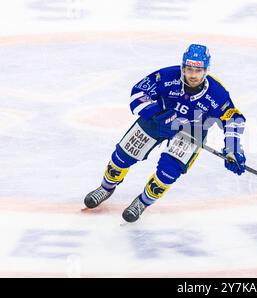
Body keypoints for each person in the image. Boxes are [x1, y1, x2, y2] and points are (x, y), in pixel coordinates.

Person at [84, 44, 247, 223]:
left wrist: (232, 149)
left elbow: (232, 118)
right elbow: (139, 91)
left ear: (206, 70)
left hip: (192, 131)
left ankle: (142, 202)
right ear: (182, 67)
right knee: (122, 156)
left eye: (198, 70)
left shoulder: (217, 92)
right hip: (156, 121)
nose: (193, 75)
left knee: (168, 172)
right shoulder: (167, 76)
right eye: (189, 69)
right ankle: (106, 188)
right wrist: (156, 113)